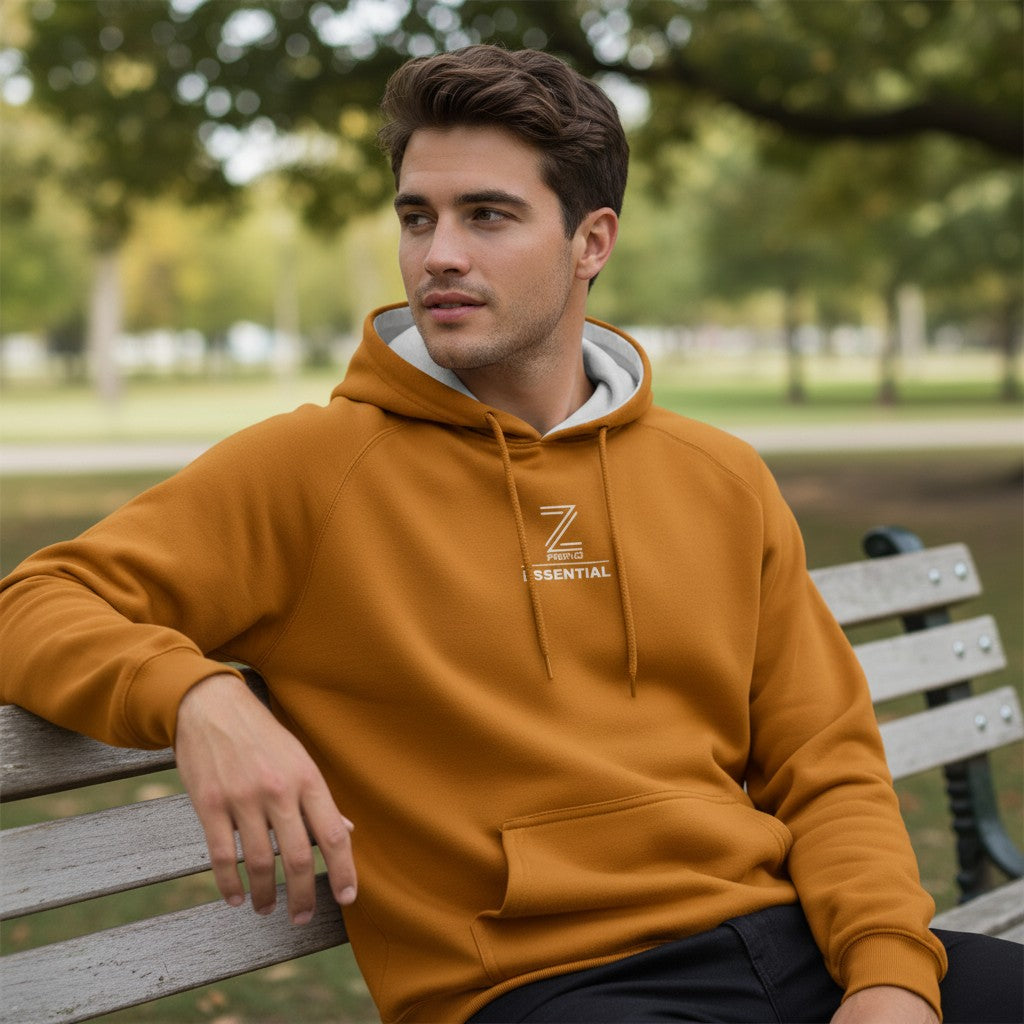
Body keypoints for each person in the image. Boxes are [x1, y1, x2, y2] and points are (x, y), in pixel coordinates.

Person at [1, 45, 1020, 1024]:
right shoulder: (309, 472)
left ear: (591, 242)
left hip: (792, 945)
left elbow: (823, 761)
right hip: (544, 986)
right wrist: (196, 694)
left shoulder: (720, 479)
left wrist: (888, 977)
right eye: (418, 216)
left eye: (487, 215)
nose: (438, 253)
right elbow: (33, 604)